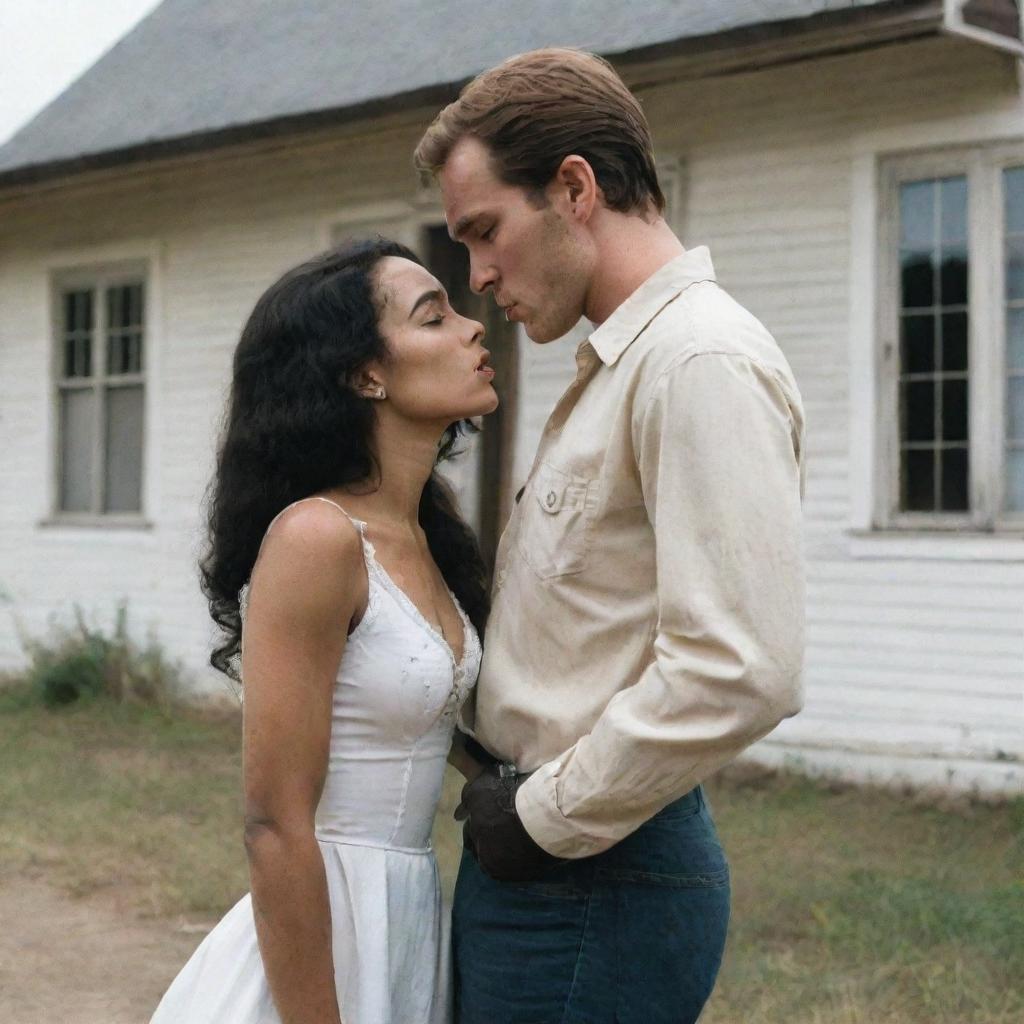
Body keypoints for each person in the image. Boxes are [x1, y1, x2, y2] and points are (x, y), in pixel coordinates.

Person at [414, 48, 806, 1024]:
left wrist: (540, 817)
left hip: (592, 878)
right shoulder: (623, 364)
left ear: (574, 187)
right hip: (548, 866)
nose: (477, 274)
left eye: (484, 231)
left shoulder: (695, 359)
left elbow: (741, 663)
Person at [150, 238, 496, 1024]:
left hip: (407, 916)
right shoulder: (318, 537)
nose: (474, 328)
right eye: (434, 316)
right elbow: (273, 822)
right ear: (364, 373)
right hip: (320, 931)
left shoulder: (428, 536)